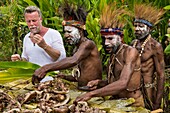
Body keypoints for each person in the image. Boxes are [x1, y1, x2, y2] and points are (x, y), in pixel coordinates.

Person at [75, 4, 144, 107]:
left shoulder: (130, 52)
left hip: (133, 103)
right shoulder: (113, 54)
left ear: (120, 38)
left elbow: (123, 83)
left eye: (110, 39)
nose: (106, 43)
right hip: (118, 102)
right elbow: (114, 81)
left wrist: (91, 94)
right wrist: (99, 83)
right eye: (104, 39)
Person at [31, 1, 102, 88]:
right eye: (65, 32)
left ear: (80, 31)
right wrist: (65, 77)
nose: (66, 35)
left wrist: (45, 68)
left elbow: (73, 60)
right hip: (82, 89)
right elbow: (81, 75)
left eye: (69, 31)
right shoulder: (77, 48)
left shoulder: (88, 44)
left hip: (93, 90)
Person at [132, 4, 165, 110]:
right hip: (133, 91)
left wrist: (157, 102)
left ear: (149, 28)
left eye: (141, 26)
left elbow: (161, 75)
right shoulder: (133, 44)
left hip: (148, 91)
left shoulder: (155, 46)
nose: (137, 29)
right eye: (135, 25)